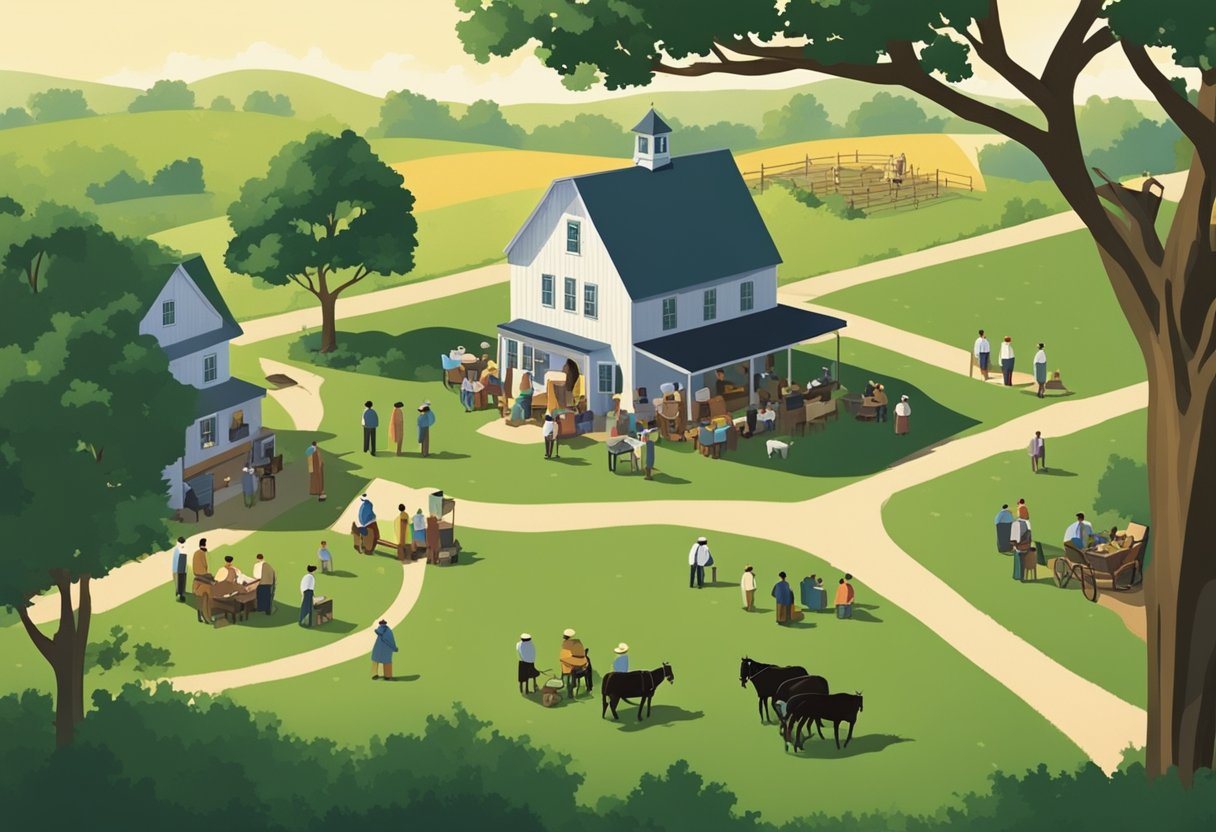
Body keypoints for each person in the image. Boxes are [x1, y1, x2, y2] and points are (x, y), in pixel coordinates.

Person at [558, 628, 590, 698]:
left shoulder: (565, 644)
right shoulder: (578, 642)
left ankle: (571, 687)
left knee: (567, 666)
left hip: (576, 666)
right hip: (583, 664)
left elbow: (563, 658)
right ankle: (573, 685)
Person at [192, 538, 213, 624]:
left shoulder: (196, 553)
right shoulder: (201, 553)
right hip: (202, 576)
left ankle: (200, 616)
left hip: (198, 576)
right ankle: (206, 616)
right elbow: (204, 567)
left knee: (199, 600)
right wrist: (208, 575)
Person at [172, 536, 188, 602]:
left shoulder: (177, 549)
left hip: (178, 568)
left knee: (178, 581)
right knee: (182, 581)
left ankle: (179, 593)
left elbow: (176, 560)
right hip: (182, 568)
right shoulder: (183, 549)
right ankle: (181, 593)